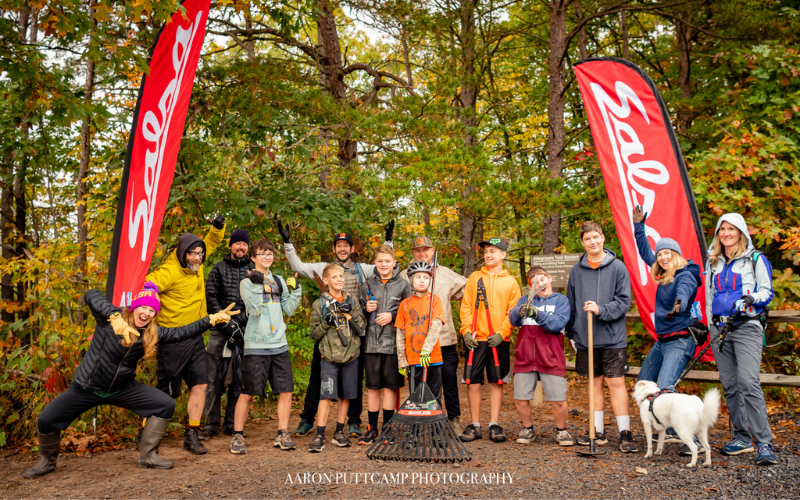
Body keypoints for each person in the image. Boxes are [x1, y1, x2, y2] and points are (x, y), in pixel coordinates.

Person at [22, 283, 238, 478]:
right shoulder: (110, 320)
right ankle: (47, 461)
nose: (147, 313)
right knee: (46, 420)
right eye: (144, 307)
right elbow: (91, 294)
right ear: (134, 307)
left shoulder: (151, 333)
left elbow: (182, 332)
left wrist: (210, 320)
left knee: (165, 404)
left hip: (121, 388)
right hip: (86, 387)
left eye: (152, 310)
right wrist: (113, 316)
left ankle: (148, 456)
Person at [278, 220, 392, 438]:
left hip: (351, 333)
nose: (342, 248)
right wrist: (287, 242)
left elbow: (384, 263)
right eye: (338, 245)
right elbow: (298, 267)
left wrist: (389, 240)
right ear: (334, 249)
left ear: (351, 249)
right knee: (316, 377)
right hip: (327, 333)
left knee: (354, 379)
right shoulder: (324, 269)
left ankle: (354, 422)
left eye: (346, 245)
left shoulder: (362, 270)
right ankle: (307, 420)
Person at [146, 216, 225, 454]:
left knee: (201, 384)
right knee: (165, 394)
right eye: (193, 253)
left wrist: (218, 228)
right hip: (172, 341)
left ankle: (192, 434)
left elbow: (210, 242)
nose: (198, 257)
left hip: (195, 339)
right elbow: (149, 285)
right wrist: (149, 299)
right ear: (183, 253)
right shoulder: (169, 271)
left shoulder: (197, 266)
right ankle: (146, 434)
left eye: (200, 254)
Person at [706, 213, 776, 465]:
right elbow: (708, 295)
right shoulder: (712, 261)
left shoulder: (756, 259)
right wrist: (708, 324)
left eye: (731, 229)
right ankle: (741, 438)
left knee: (748, 382)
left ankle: (764, 443)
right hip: (720, 330)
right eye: (722, 229)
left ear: (741, 233)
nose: (726, 233)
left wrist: (750, 299)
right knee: (731, 384)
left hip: (746, 327)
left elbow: (767, 291)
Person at [632, 206, 703, 445]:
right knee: (643, 383)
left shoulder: (685, 273)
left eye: (668, 253)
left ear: (676, 254)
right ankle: (664, 427)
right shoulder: (664, 270)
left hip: (680, 339)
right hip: (662, 341)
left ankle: (684, 435)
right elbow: (645, 253)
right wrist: (639, 227)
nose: (663, 257)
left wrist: (680, 304)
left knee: (664, 389)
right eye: (660, 253)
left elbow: (685, 290)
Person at [565, 221, 637, 453]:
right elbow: (571, 303)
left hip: (612, 336)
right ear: (583, 242)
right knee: (593, 382)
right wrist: (571, 331)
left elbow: (624, 301)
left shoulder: (618, 267)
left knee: (615, 382)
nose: (592, 242)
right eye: (587, 239)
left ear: (603, 238)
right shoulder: (576, 271)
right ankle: (597, 430)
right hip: (586, 338)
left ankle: (625, 432)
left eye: (596, 237)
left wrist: (601, 309)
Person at [230, 239, 302, 454]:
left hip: (280, 344)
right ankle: (237, 436)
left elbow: (288, 309)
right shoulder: (247, 282)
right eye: (262, 254)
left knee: (285, 390)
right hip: (256, 346)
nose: (267, 257)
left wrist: (296, 291)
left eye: (270, 253)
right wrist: (257, 285)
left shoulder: (279, 280)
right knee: (248, 393)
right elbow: (253, 311)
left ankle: (282, 433)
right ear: (253, 258)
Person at [399, 236, 467, 433]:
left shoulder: (445, 274)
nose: (422, 253)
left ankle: (453, 419)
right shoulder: (405, 275)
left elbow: (467, 289)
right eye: (418, 250)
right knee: (421, 383)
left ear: (432, 249)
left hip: (444, 339)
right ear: (413, 253)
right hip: (417, 343)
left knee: (448, 382)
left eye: (425, 249)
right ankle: (423, 423)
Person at [458, 237, 521, 443]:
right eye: (486, 251)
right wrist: (466, 331)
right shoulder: (475, 277)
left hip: (498, 340)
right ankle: (475, 424)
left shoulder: (511, 282)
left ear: (503, 255)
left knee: (497, 381)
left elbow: (513, 312)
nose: (488, 255)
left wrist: (502, 333)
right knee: (472, 382)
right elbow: (466, 306)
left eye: (493, 251)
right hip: (476, 339)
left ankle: (494, 423)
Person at [508, 266, 573, 446]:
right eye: (534, 282)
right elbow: (512, 320)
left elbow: (556, 323)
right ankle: (527, 429)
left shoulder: (561, 301)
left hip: (551, 357)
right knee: (521, 397)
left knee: (558, 399)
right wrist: (518, 312)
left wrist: (537, 314)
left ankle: (561, 431)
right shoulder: (524, 300)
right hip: (525, 357)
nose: (539, 284)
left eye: (542, 279)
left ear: (549, 278)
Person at [307, 263, 367, 452]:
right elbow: (314, 334)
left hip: (351, 355)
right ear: (325, 281)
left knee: (346, 395)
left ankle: (339, 432)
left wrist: (350, 312)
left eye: (341, 276)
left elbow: (361, 327)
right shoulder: (320, 304)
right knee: (326, 396)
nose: (339, 279)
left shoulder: (353, 301)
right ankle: (320, 435)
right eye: (334, 277)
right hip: (329, 357)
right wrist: (326, 323)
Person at [202, 229, 254, 440]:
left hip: (245, 331)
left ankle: (232, 423)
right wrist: (226, 323)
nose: (241, 247)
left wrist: (240, 324)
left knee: (238, 379)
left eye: (244, 244)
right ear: (230, 246)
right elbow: (211, 297)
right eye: (237, 243)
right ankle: (210, 424)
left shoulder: (253, 270)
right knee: (212, 379)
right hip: (219, 330)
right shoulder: (218, 269)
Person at [357, 245, 410, 445]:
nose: (384, 264)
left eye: (387, 261)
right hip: (371, 344)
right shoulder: (367, 284)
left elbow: (409, 312)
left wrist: (392, 315)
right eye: (380, 261)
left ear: (394, 263)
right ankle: (372, 429)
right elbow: (359, 312)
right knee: (372, 388)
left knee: (389, 388)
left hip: (393, 345)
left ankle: (388, 429)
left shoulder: (403, 285)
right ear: (375, 263)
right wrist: (365, 308)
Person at [395, 260, 446, 405]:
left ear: (430, 280)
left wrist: (427, 348)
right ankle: (417, 425)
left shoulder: (435, 301)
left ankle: (435, 425)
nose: (422, 281)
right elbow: (400, 334)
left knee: (435, 395)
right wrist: (402, 360)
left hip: (433, 356)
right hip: (413, 358)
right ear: (411, 279)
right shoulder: (405, 304)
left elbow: (436, 325)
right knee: (416, 395)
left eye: (426, 277)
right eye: (418, 277)